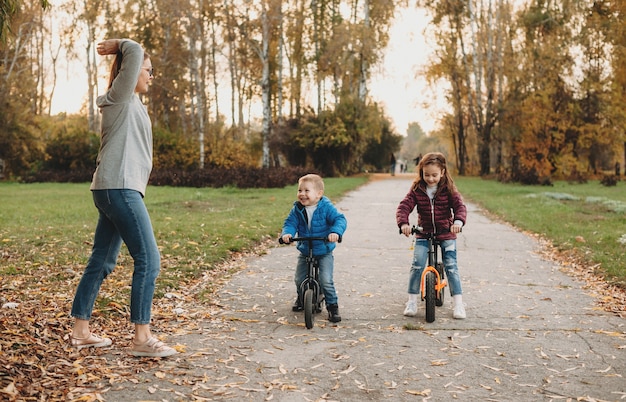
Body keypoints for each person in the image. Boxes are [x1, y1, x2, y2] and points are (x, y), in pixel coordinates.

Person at [69, 38, 176, 357]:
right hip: (119, 188)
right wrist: (122, 45)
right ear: (130, 72)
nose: (151, 76)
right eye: (148, 70)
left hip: (111, 188)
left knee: (102, 260)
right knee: (149, 258)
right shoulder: (119, 97)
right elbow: (134, 52)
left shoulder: (132, 104)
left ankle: (80, 332)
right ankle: (142, 339)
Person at [396, 152, 468, 319]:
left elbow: (460, 206)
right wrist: (404, 224)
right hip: (423, 232)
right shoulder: (417, 189)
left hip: (446, 232)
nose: (430, 179)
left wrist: (458, 222)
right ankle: (412, 301)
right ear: (421, 173)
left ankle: (458, 303)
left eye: (434, 175)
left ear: (442, 172)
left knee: (451, 266)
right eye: (426, 175)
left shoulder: (448, 188)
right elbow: (404, 206)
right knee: (417, 264)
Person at [281, 174, 348, 323]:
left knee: (326, 280)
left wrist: (335, 232)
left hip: (324, 249)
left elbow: (339, 219)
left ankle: (332, 305)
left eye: (307, 190)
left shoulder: (326, 207)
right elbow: (290, 223)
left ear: (319, 194)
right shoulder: (297, 209)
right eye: (300, 190)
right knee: (299, 279)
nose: (302, 194)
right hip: (306, 249)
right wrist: (287, 234)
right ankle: (302, 297)